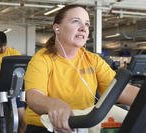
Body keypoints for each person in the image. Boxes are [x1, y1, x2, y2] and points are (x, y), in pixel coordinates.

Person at [24, 5, 139, 133]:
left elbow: (121, 91)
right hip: (46, 127)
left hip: (84, 125)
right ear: (57, 28)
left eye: (86, 24)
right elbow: (34, 96)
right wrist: (53, 105)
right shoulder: (42, 59)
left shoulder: (93, 60)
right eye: (75, 21)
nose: (83, 28)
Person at [0, 31, 26, 133]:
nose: (2, 49)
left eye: (4, 45)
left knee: (22, 120)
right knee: (3, 119)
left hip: (15, 87)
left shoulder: (14, 54)